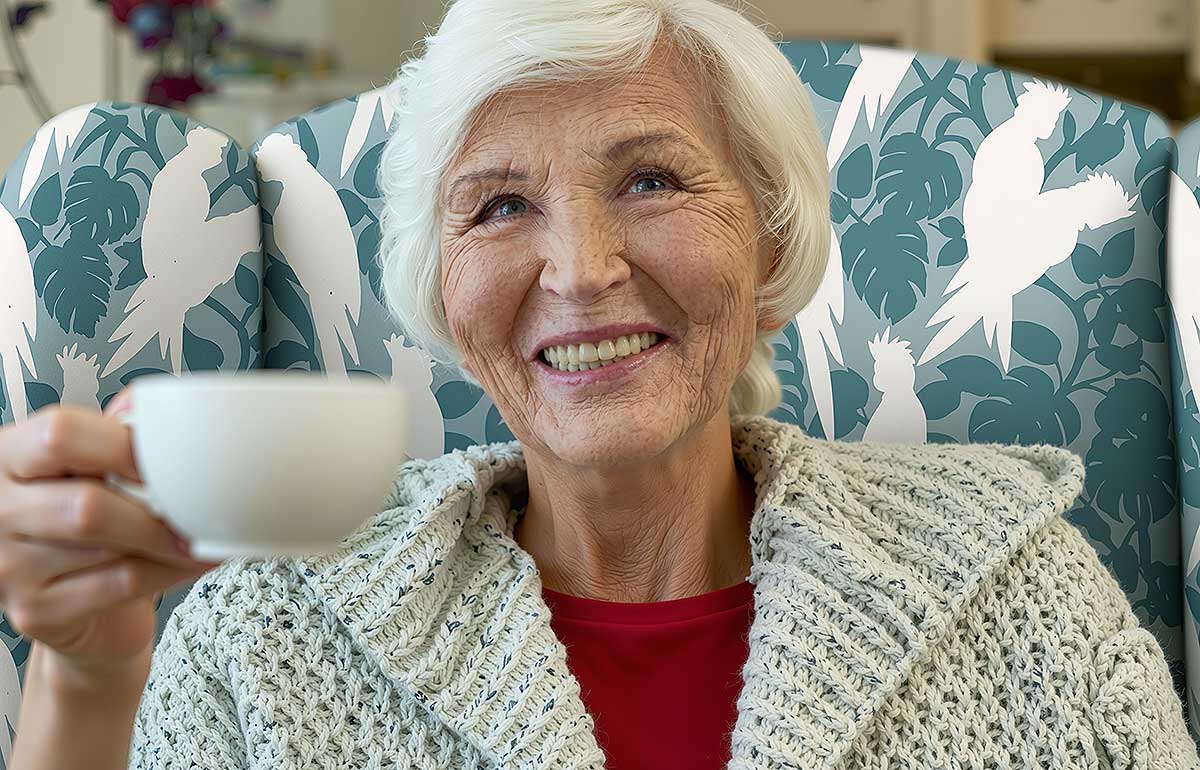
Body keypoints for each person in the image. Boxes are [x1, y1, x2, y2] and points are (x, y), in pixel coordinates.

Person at [6, 1, 1200, 768]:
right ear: (444, 296)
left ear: (772, 253)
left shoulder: (1011, 576)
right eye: (502, 204)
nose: (580, 271)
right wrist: (90, 674)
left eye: (652, 181)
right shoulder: (266, 628)